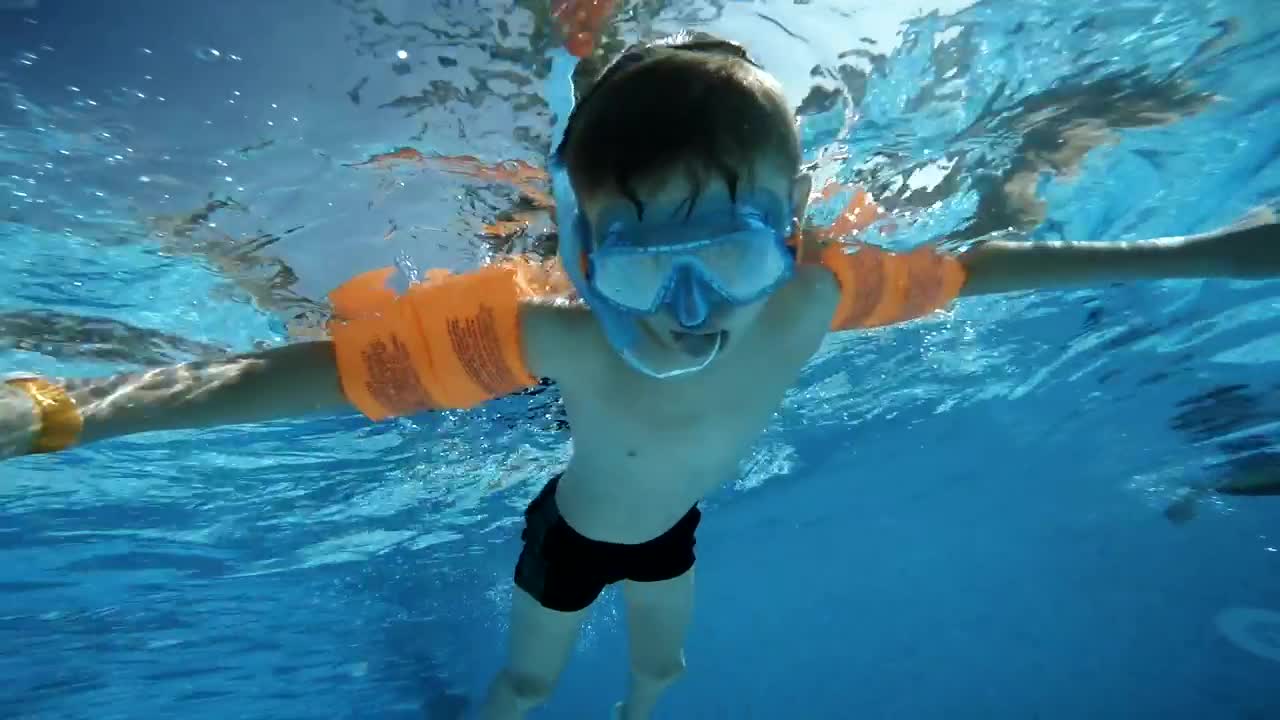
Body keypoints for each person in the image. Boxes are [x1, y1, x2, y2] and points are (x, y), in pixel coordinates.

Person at [2, 31, 1278, 720]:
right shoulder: (551, 335)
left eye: (723, 252)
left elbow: (997, 263)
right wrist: (70, 412)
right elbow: (307, 375)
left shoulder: (813, 298)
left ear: (787, 235)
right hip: (565, 538)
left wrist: (1210, 255)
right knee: (525, 681)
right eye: (632, 265)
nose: (683, 310)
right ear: (574, 254)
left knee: (661, 675)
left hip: (668, 536)